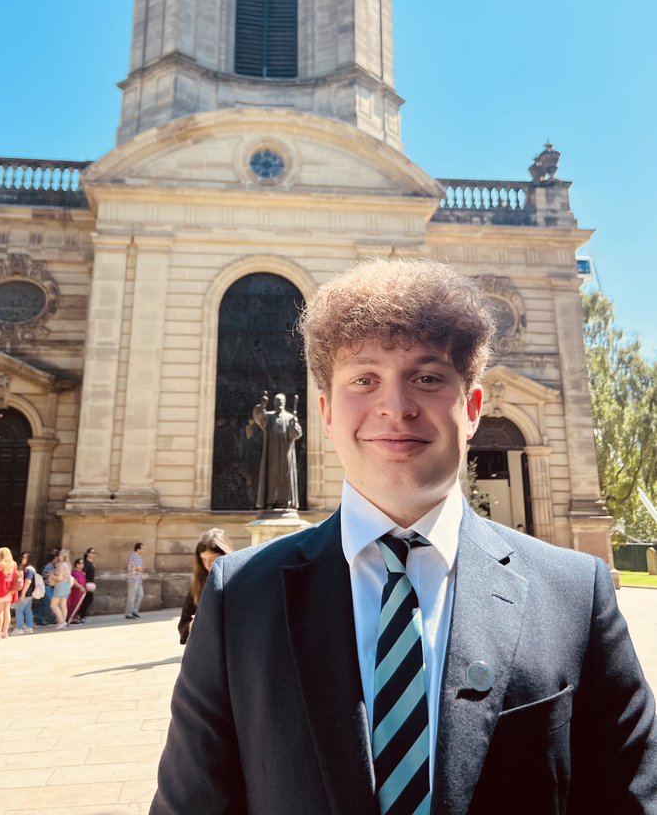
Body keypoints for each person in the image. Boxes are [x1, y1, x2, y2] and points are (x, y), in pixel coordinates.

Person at [150, 256, 657, 815]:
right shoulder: (240, 596)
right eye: (364, 379)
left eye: (428, 377)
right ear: (326, 411)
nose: (395, 405)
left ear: (474, 408)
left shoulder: (573, 593)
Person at [178, 529, 233, 645]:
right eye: (203, 559)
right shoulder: (199, 583)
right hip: (207, 648)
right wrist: (191, 626)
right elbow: (183, 624)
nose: (207, 565)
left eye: (213, 559)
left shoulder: (237, 580)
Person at [251, 390, 303, 509]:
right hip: (272, 453)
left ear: (284, 403)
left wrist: (294, 425)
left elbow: (296, 434)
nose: (279, 404)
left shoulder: (290, 417)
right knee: (272, 476)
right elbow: (259, 419)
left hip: (286, 453)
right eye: (277, 401)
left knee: (286, 476)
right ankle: (271, 501)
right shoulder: (269, 416)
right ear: (274, 403)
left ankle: (285, 501)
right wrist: (262, 406)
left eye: (281, 402)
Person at [0, 547, 19, 640]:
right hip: (10, 591)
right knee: (7, 612)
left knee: (0, 613)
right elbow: (14, 576)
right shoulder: (13, 564)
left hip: (0, 591)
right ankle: (5, 633)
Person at [50, 548, 72, 629]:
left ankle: (61, 621)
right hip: (66, 586)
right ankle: (63, 622)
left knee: (53, 605)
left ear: (62, 556)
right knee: (63, 605)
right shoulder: (68, 565)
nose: (59, 556)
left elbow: (59, 578)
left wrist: (52, 575)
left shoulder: (62, 565)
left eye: (60, 555)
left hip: (60, 586)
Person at [15, 551, 37, 635]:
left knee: (19, 610)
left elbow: (28, 581)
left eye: (24, 557)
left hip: (26, 593)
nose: (22, 559)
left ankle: (19, 628)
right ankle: (29, 627)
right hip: (29, 593)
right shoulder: (30, 568)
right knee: (28, 610)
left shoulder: (29, 569)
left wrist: (23, 594)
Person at [125, 542, 144, 619]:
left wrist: (140, 569)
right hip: (133, 579)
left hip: (139, 580)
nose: (143, 550)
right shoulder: (134, 556)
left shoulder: (139, 557)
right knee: (132, 597)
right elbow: (139, 568)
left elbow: (140, 568)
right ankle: (129, 613)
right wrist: (139, 569)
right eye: (142, 548)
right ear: (138, 549)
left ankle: (134, 611)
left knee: (140, 595)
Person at [67, 557, 87, 623]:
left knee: (79, 604)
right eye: (81, 563)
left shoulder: (82, 573)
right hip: (75, 591)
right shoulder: (75, 573)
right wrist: (80, 587)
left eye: (83, 563)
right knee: (73, 603)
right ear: (77, 564)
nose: (82, 564)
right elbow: (74, 582)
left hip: (81, 592)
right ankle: (70, 617)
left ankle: (75, 616)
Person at [79, 547, 97, 621]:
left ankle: (82, 616)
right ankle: (81, 615)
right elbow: (83, 573)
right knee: (88, 599)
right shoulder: (86, 563)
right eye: (92, 552)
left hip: (90, 583)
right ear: (88, 553)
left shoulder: (91, 563)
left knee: (88, 599)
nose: (94, 554)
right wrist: (84, 583)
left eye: (95, 553)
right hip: (87, 583)